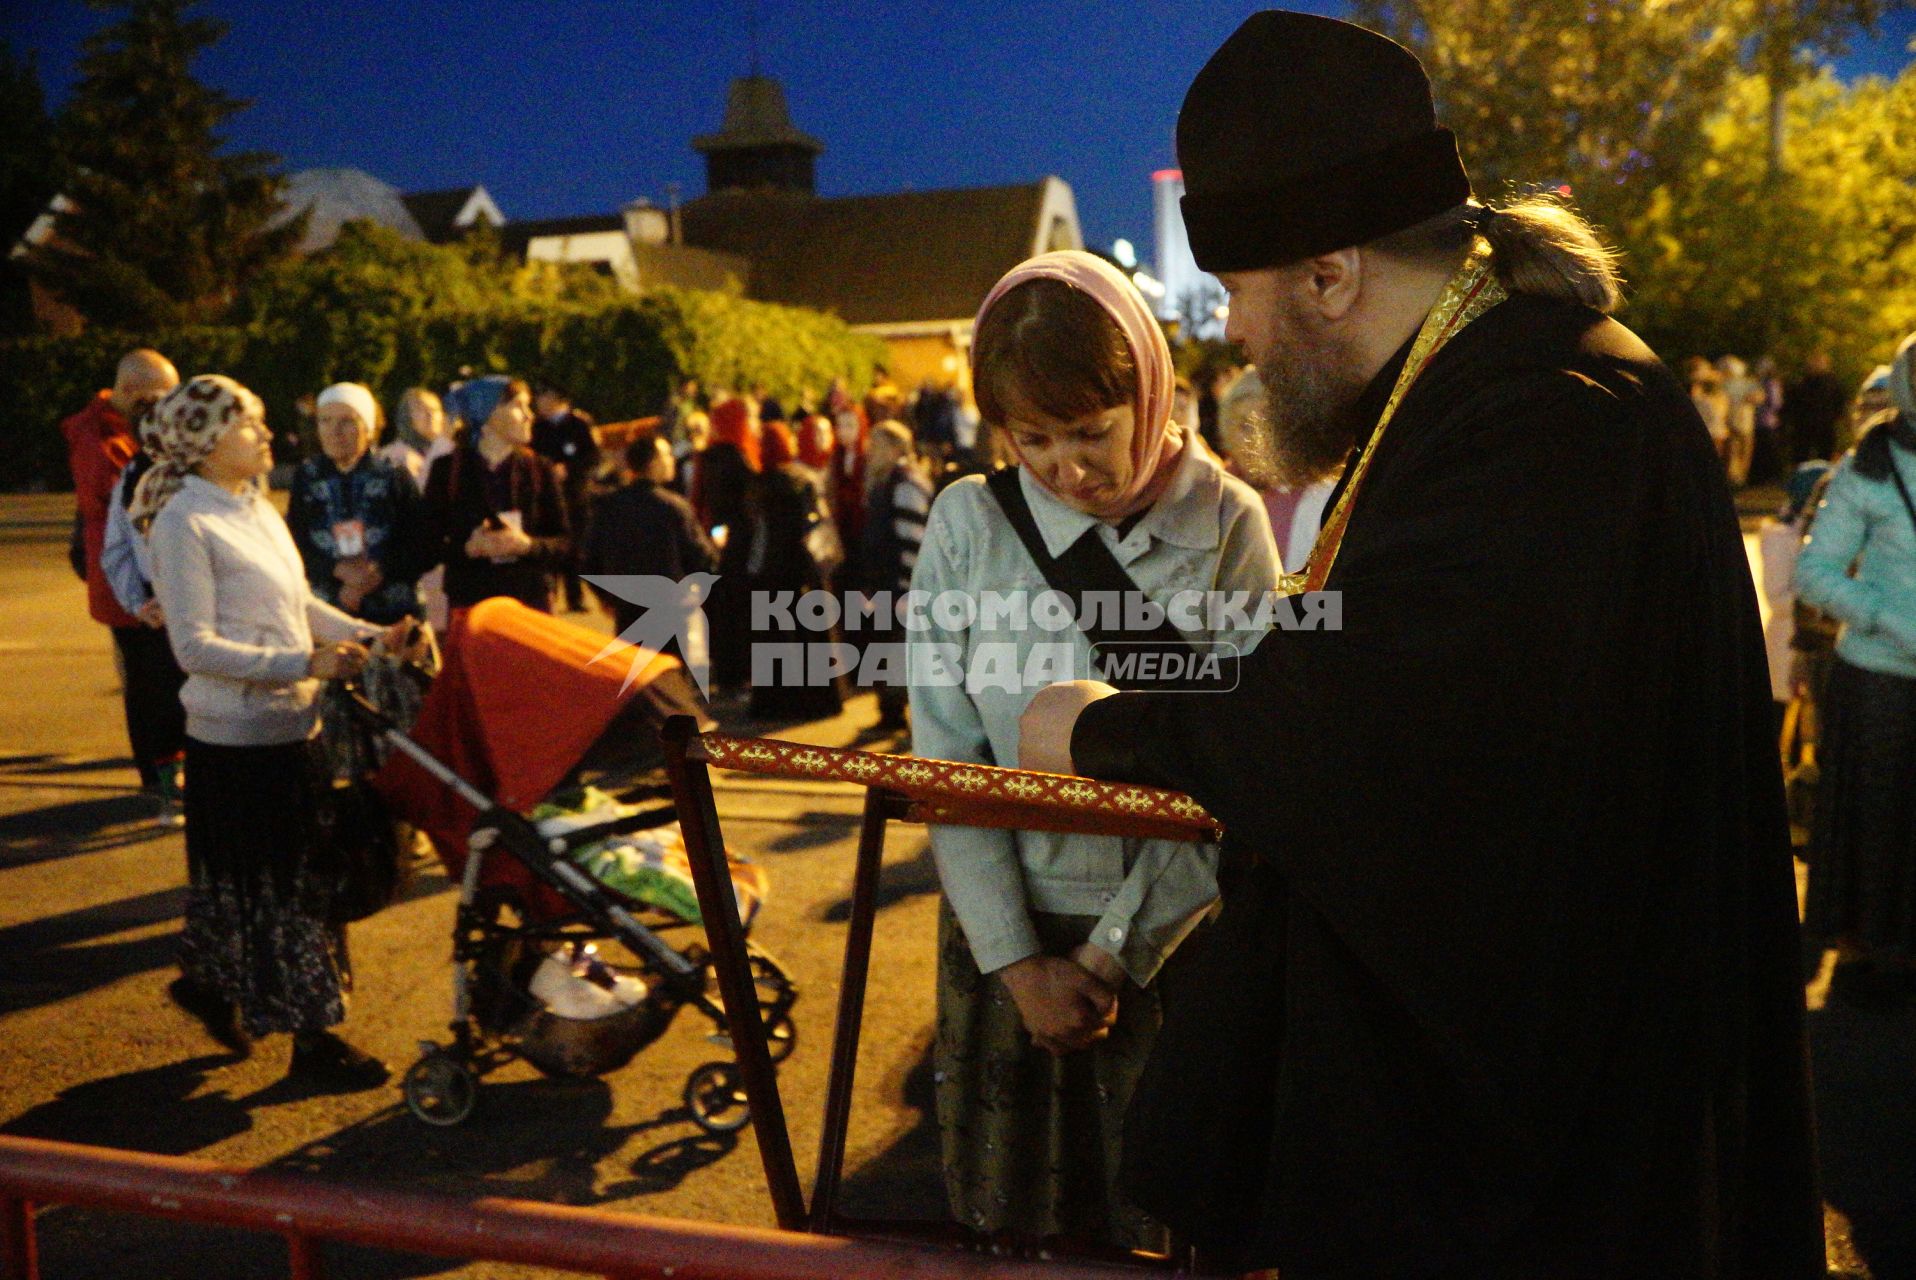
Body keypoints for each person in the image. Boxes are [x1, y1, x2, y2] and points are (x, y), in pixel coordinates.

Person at [1016, 13, 1820, 1277]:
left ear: (1329, 274)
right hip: (1547, 1086)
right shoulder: (1494, 383)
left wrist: (1099, 726)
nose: (1235, 334)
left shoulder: (1539, 418)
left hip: (1549, 1151)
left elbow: (1374, 737)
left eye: (1240, 293)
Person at [909, 250, 1280, 1250]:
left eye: (1090, 432)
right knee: (1012, 1224)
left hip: (1170, 944)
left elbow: (1243, 760)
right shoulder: (966, 523)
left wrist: (1110, 954)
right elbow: (944, 754)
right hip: (1002, 941)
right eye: (1032, 438)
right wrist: (1019, 961)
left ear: (1148, 393)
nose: (1066, 468)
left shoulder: (1225, 523)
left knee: (1173, 1219)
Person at [135, 374, 416, 1085]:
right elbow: (193, 648)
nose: (266, 436)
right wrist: (307, 662)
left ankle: (209, 983)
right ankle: (313, 1044)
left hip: (297, 726)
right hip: (236, 742)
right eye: (248, 425)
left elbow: (301, 603)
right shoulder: (184, 524)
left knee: (258, 885)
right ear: (203, 443)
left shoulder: (254, 507)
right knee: (292, 891)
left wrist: (374, 636)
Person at [1794, 330, 1916, 1004]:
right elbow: (1813, 573)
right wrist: (1891, 622)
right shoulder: (1868, 467)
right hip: (1877, 678)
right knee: (1878, 817)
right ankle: (1870, 947)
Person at [62, 348, 184, 817]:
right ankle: (159, 777)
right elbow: (116, 510)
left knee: (148, 682)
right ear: (131, 393)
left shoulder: (117, 430)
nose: (171, 405)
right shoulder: (102, 440)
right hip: (127, 585)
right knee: (152, 685)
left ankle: (158, 774)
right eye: (161, 395)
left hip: (128, 580)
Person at [422, 376, 570, 617]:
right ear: (487, 415)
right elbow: (426, 545)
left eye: (528, 406)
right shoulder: (448, 470)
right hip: (471, 609)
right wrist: (468, 548)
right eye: (518, 406)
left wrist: (527, 545)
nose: (529, 415)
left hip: (529, 607)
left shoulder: (539, 469)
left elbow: (565, 542)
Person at [287, 383, 427, 626]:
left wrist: (378, 573)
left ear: (368, 428)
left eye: (347, 421)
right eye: (325, 421)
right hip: (329, 615)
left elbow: (422, 542)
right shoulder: (307, 477)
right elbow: (295, 545)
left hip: (394, 615)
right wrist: (335, 570)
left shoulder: (394, 475)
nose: (335, 431)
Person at [743, 420, 844, 722]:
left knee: (773, 638)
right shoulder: (803, 481)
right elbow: (817, 527)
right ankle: (817, 700)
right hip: (803, 573)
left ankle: (775, 702)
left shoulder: (757, 487)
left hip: (770, 575)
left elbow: (758, 532)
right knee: (808, 636)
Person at [580, 435, 718, 635]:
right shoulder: (674, 507)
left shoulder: (610, 506)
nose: (672, 460)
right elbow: (700, 558)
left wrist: (607, 597)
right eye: (666, 455)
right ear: (653, 463)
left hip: (627, 613)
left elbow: (589, 559)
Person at [856, 420, 931, 732]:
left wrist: (907, 587)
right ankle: (891, 710)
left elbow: (913, 537)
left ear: (896, 448)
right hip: (888, 583)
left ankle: (897, 712)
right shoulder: (889, 480)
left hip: (899, 586)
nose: (871, 452)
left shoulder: (905, 483)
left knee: (899, 650)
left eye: (878, 445)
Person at [532, 382, 601, 612]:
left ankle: (575, 597)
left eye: (545, 396)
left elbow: (593, 458)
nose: (540, 402)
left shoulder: (579, 425)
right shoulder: (536, 427)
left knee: (574, 548)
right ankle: (549, 595)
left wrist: (569, 469)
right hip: (545, 497)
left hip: (574, 496)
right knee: (549, 545)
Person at [378, 387, 449, 489]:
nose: (430, 415)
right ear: (406, 416)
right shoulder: (391, 458)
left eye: (435, 410)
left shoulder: (451, 455)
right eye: (421, 409)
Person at [1784, 349, 1847, 465]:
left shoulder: (1832, 383)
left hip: (1825, 425)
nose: (1816, 365)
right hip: (1804, 426)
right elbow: (1792, 404)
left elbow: (1839, 403)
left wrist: (1836, 417)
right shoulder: (1801, 383)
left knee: (1824, 457)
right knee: (1801, 456)